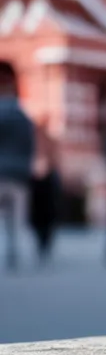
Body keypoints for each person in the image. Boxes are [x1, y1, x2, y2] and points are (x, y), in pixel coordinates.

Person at [0, 81, 35, 270]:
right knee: (16, 219)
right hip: (19, 174)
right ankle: (13, 252)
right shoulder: (25, 120)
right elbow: (30, 148)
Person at [29, 120, 61, 264]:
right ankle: (43, 243)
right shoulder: (36, 141)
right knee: (43, 213)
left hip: (42, 179)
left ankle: (44, 243)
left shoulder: (42, 141)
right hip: (41, 180)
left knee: (44, 213)